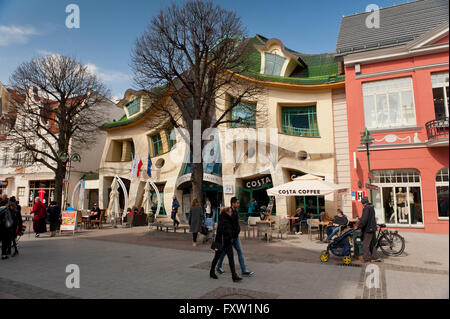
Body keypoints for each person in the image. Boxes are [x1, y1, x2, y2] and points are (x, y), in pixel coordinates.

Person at [216, 197, 254, 277]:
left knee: (240, 252)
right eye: (237, 203)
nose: (238, 204)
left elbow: (236, 224)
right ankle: (218, 266)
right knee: (223, 253)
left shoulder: (236, 212)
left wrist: (237, 230)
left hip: (236, 237)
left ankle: (243, 270)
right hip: (229, 237)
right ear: (233, 203)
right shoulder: (228, 212)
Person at [209, 207, 242, 282]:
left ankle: (234, 275)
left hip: (227, 242)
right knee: (216, 258)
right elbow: (224, 231)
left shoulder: (228, 219)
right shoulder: (223, 219)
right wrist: (232, 233)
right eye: (230, 212)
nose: (231, 213)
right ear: (227, 212)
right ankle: (212, 271)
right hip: (221, 242)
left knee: (231, 259)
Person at [357, 197, 381, 263]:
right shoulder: (371, 207)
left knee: (365, 244)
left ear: (364, 203)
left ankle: (366, 258)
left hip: (368, 228)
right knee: (370, 244)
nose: (362, 205)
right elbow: (367, 217)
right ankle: (375, 257)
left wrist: (359, 226)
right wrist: (361, 219)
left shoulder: (366, 208)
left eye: (362, 203)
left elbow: (365, 220)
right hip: (371, 228)